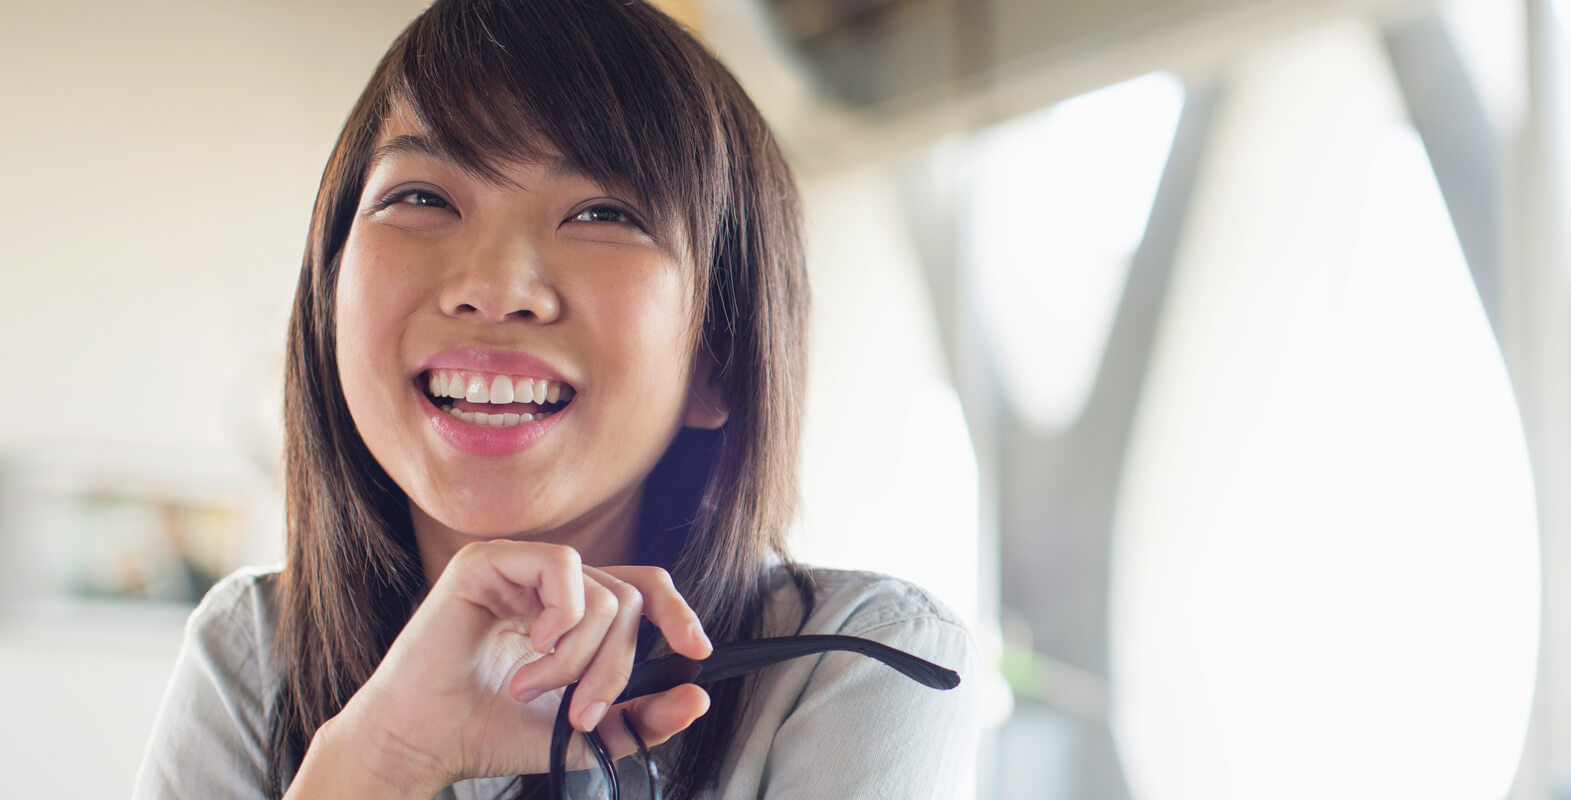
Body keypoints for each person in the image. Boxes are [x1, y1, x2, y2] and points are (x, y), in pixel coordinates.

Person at [131, 1, 978, 797]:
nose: (494, 287)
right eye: (422, 197)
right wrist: (381, 759)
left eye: (604, 211)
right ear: (327, 301)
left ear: (719, 359)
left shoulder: (858, 663)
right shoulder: (252, 649)